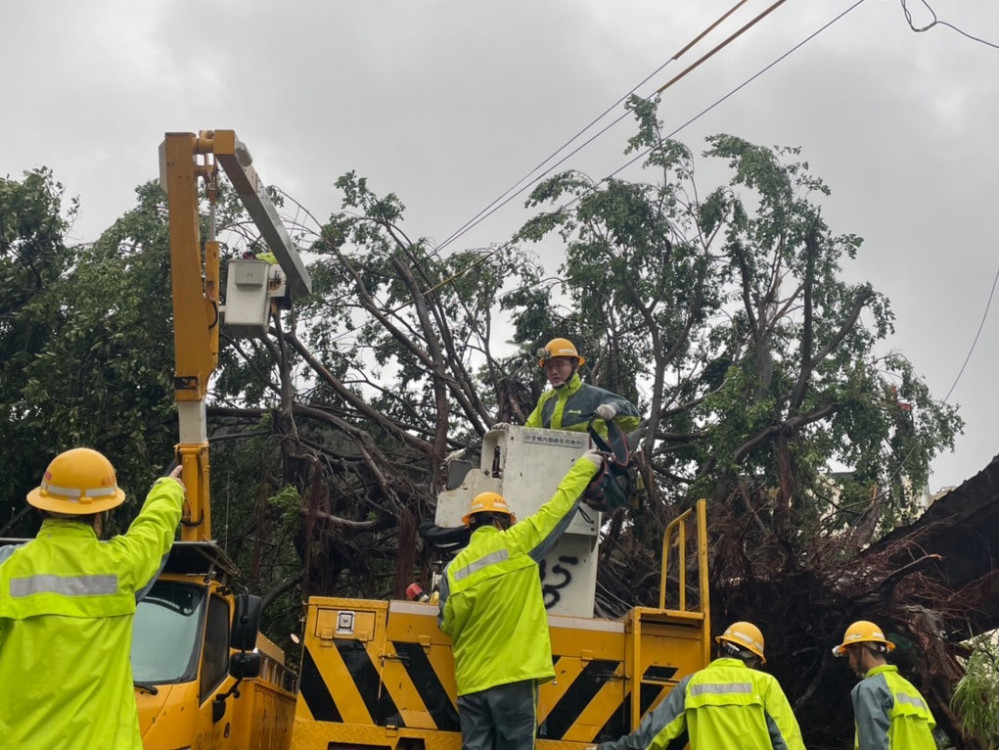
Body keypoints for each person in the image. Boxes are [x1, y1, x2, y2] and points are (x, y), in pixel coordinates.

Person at [0, 447, 186, 749]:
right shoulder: (121, 568)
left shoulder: (6, 572)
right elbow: (152, 532)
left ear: (41, 507)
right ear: (102, 513)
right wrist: (169, 489)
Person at [438, 450, 603, 750]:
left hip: (472, 685)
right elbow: (558, 509)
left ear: (471, 525)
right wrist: (586, 467)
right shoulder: (517, 545)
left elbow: (446, 624)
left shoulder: (453, 571)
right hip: (513, 681)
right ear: (502, 523)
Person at [597, 621, 805, 750]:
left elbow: (651, 738)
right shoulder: (765, 685)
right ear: (755, 661)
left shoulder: (692, 685)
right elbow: (789, 743)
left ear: (719, 650)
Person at [832, 620, 937, 750]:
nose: (850, 662)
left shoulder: (869, 689)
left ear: (860, 649)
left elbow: (873, 744)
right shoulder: (909, 688)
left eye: (849, 655)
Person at [524, 338, 640, 437]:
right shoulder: (545, 400)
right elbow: (526, 433)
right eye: (549, 367)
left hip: (594, 461)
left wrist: (614, 409)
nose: (554, 371)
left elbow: (634, 419)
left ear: (575, 366)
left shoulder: (593, 396)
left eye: (559, 365)